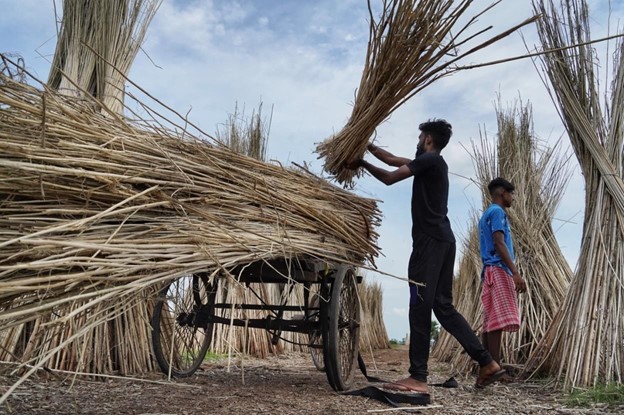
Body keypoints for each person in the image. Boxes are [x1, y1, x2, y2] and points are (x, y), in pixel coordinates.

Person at [347, 119, 505, 393]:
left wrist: (361, 164)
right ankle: (487, 362)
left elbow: (388, 177)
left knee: (419, 304)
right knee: (443, 307)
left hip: (429, 244)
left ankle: (418, 377)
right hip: (444, 241)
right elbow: (392, 159)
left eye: (420, 137)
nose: (417, 141)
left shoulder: (430, 160)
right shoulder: (432, 164)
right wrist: (364, 143)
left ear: (428, 139)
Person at [478, 178, 527, 374]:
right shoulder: (498, 212)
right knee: (496, 320)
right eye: (511, 193)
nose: (512, 198)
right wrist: (515, 273)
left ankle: (487, 365)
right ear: (502, 193)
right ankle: (494, 368)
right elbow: (499, 243)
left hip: (489, 270)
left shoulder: (486, 214)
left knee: (490, 320)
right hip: (498, 270)